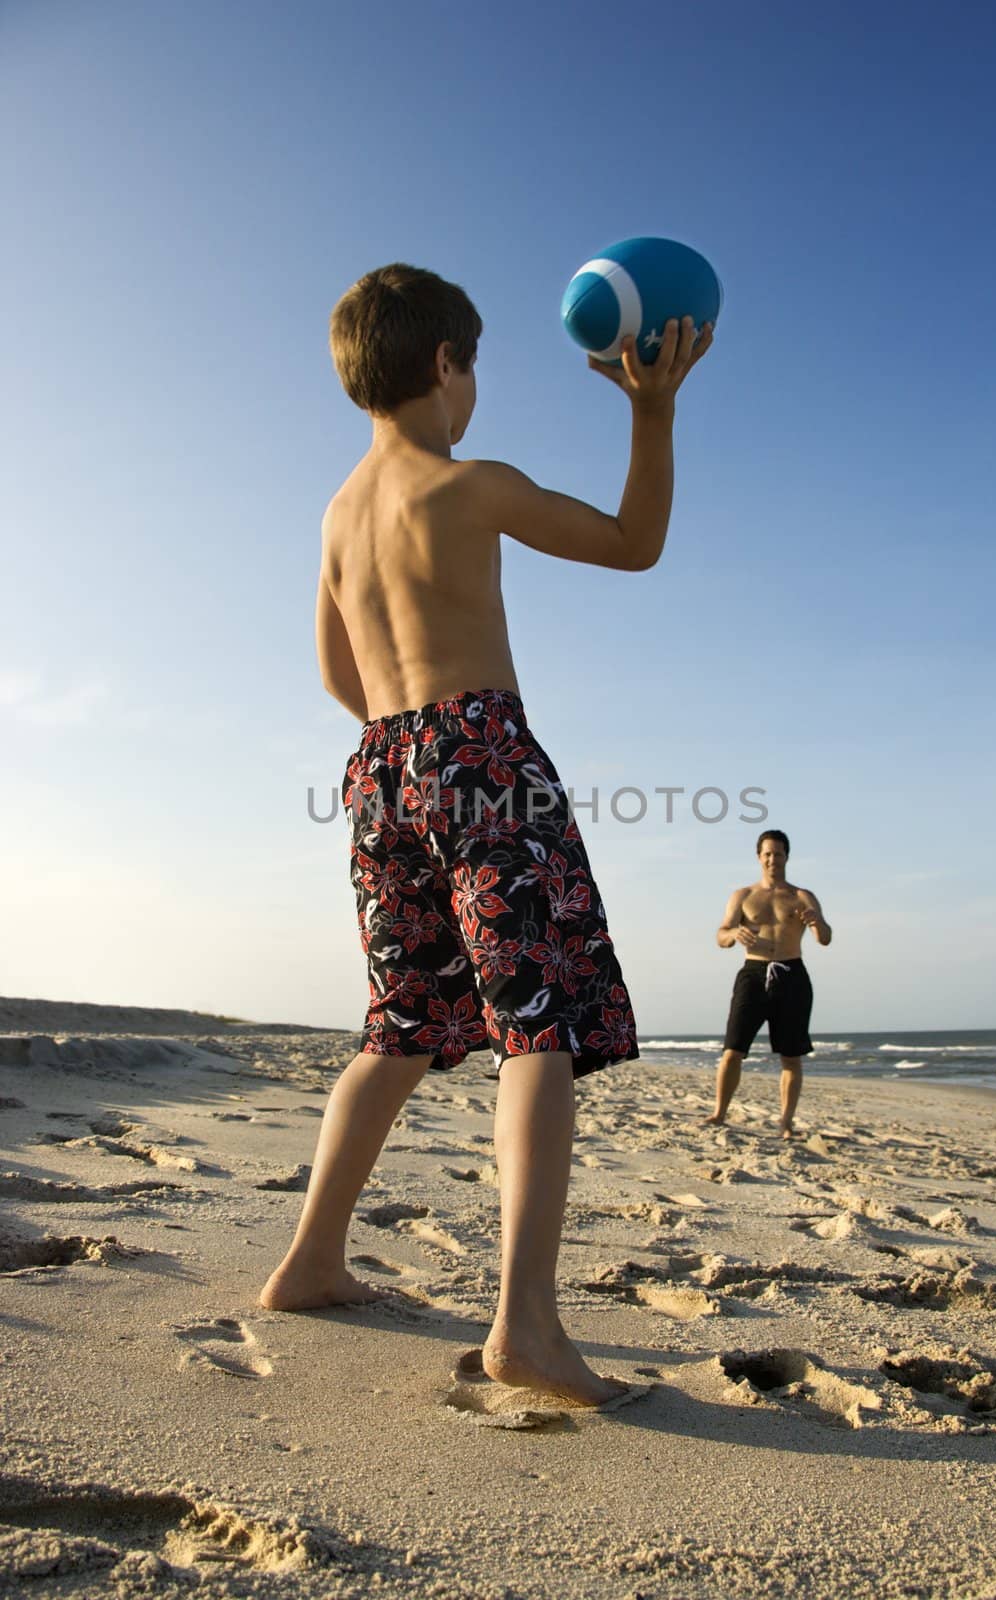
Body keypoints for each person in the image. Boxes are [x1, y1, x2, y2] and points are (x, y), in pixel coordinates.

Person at [259, 263, 714, 1404]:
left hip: (379, 766)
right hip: (480, 756)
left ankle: (311, 1260)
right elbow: (631, 541)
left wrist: (403, 746)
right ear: (446, 366)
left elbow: (332, 668)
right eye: (475, 371)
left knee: (400, 1022)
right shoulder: (466, 486)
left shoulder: (337, 511)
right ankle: (525, 1329)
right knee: (537, 1023)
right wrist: (650, 411)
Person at [709, 829, 831, 1137]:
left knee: (791, 1055)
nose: (772, 859)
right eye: (767, 854)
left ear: (787, 856)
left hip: (792, 973)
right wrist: (734, 934)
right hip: (754, 972)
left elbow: (825, 938)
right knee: (733, 1049)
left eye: (778, 853)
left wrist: (817, 921)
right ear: (758, 857)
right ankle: (719, 1113)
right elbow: (721, 935)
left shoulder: (802, 896)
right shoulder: (744, 896)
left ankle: (786, 1122)